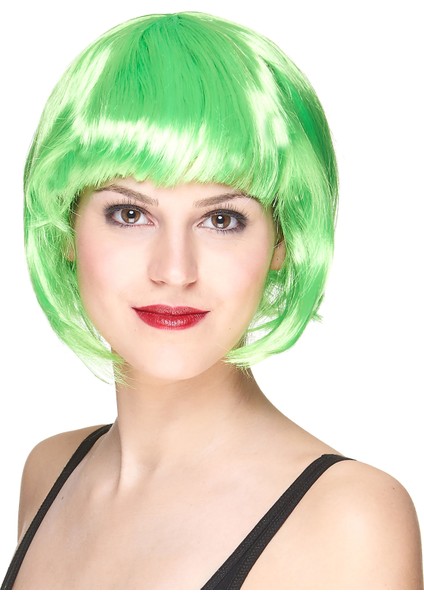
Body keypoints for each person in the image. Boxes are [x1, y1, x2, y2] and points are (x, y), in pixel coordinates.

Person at [2, 10, 422, 590]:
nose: (174, 271)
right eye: (129, 213)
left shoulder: (350, 522)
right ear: (65, 227)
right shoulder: (47, 472)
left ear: (282, 240)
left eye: (222, 219)